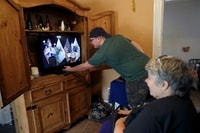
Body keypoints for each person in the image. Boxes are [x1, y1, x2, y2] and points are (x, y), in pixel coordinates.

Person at [103, 55, 198, 133]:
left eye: (149, 78)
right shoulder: (184, 100)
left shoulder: (154, 112)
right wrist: (134, 112)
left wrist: (119, 123)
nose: (146, 81)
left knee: (108, 125)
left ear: (164, 85)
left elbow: (155, 114)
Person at [63, 27, 151, 108]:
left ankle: (138, 122)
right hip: (149, 66)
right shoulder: (118, 37)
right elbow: (134, 43)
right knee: (152, 97)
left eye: (91, 40)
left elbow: (85, 66)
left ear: (99, 38)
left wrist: (70, 69)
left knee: (135, 105)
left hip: (136, 77)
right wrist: (142, 54)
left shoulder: (103, 52)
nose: (90, 43)